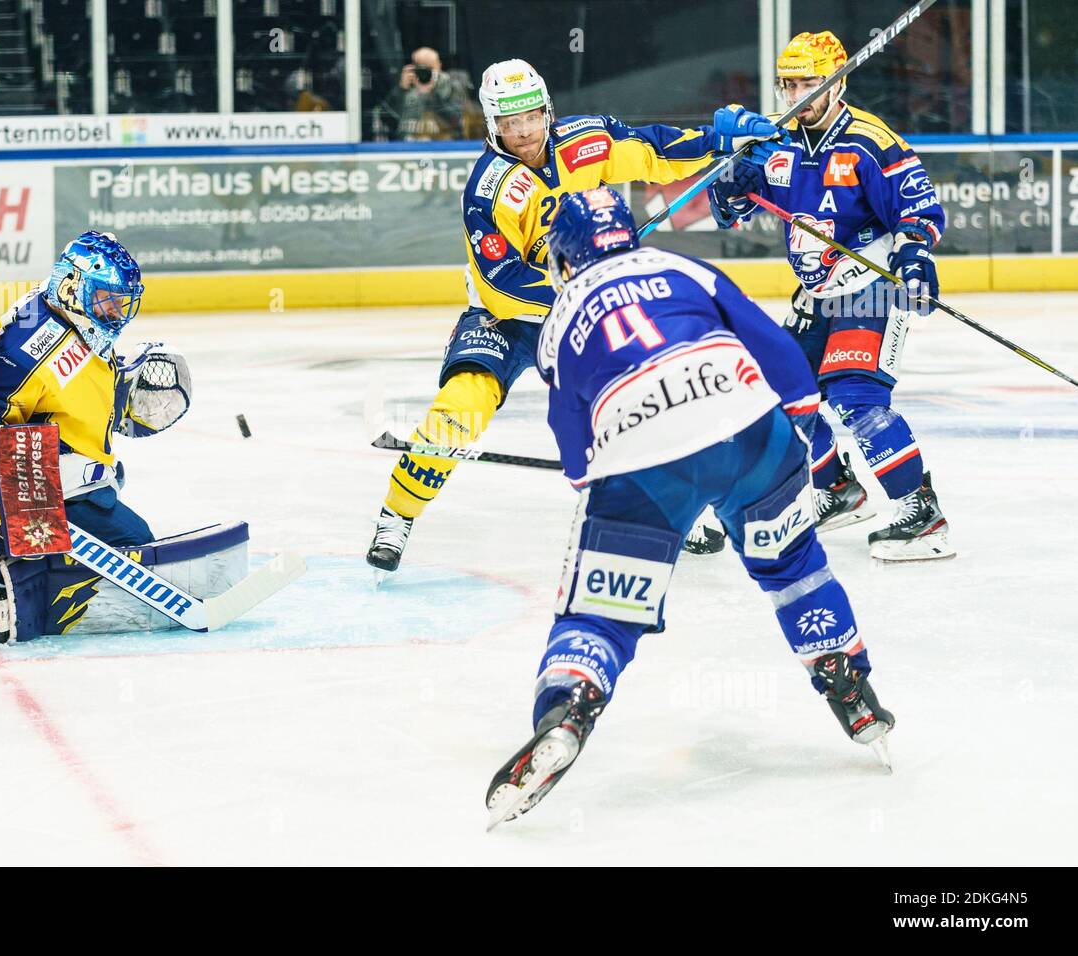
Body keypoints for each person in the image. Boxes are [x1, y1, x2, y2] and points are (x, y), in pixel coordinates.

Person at [485, 188, 894, 828]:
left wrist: (593, 479)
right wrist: (800, 436)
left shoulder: (559, 318)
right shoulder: (683, 268)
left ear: (563, 259)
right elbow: (780, 352)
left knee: (603, 608)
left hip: (646, 467)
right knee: (793, 566)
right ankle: (848, 680)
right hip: (756, 432)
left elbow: (570, 437)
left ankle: (571, 704)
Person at [365, 57, 785, 575]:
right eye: (509, 123)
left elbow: (652, 151)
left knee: (648, 391)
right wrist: (577, 286)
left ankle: (683, 500)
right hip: (510, 318)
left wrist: (718, 141)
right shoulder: (487, 188)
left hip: (585, 305)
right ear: (492, 125)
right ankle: (397, 516)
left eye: (531, 117)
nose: (523, 133)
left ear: (547, 108)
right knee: (459, 408)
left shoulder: (586, 139)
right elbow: (502, 281)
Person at [706, 31, 952, 562]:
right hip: (815, 297)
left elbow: (917, 206)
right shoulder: (780, 144)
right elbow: (738, 209)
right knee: (783, 392)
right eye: (789, 85)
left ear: (838, 83)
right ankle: (838, 489)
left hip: (870, 291)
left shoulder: (869, 139)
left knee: (855, 399)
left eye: (809, 84)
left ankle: (922, 512)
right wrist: (728, 185)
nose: (798, 95)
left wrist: (915, 255)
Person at [0, 231, 228, 643]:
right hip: (53, 496)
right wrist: (10, 516)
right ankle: (13, 585)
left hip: (80, 485)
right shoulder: (23, 353)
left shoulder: (67, 315)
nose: (115, 311)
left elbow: (68, 384)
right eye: (106, 297)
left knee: (134, 546)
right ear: (72, 285)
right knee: (136, 546)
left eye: (119, 300)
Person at [377, 46, 464, 141]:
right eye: (421, 67)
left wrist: (433, 94)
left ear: (439, 66)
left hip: (441, 148)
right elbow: (385, 120)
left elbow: (457, 122)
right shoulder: (405, 87)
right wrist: (401, 90)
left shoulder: (451, 88)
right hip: (407, 148)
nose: (425, 73)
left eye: (430, 68)